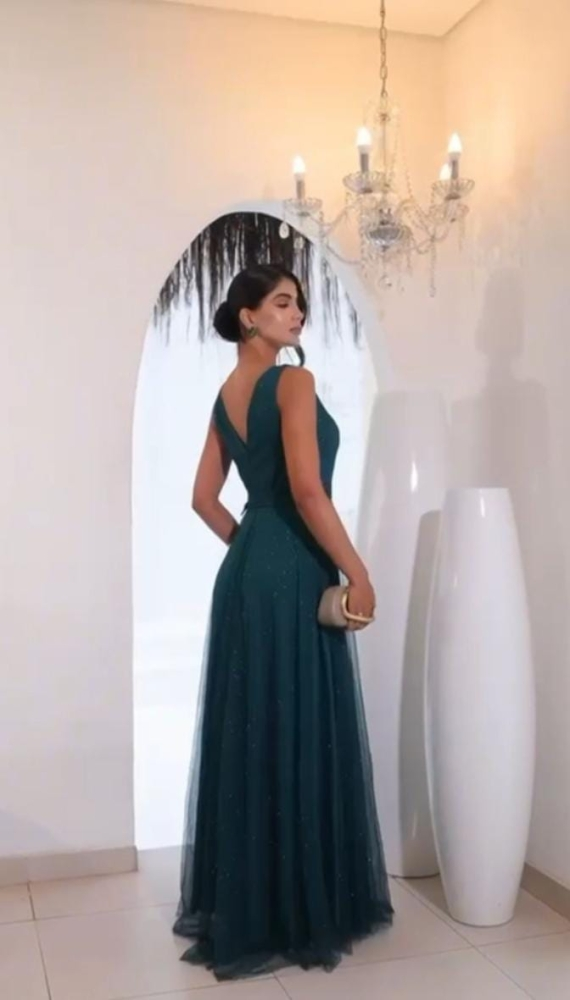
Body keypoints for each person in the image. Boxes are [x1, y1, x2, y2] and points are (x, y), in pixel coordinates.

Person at [172, 263, 394, 979]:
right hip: (294, 568)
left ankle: (253, 907)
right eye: (282, 303)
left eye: (298, 303)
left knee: (254, 727)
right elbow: (307, 488)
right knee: (297, 723)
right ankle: (302, 906)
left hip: (245, 573)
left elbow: (204, 499)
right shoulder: (292, 382)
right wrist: (358, 571)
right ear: (249, 317)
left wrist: (252, 548)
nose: (297, 314)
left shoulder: (225, 396)